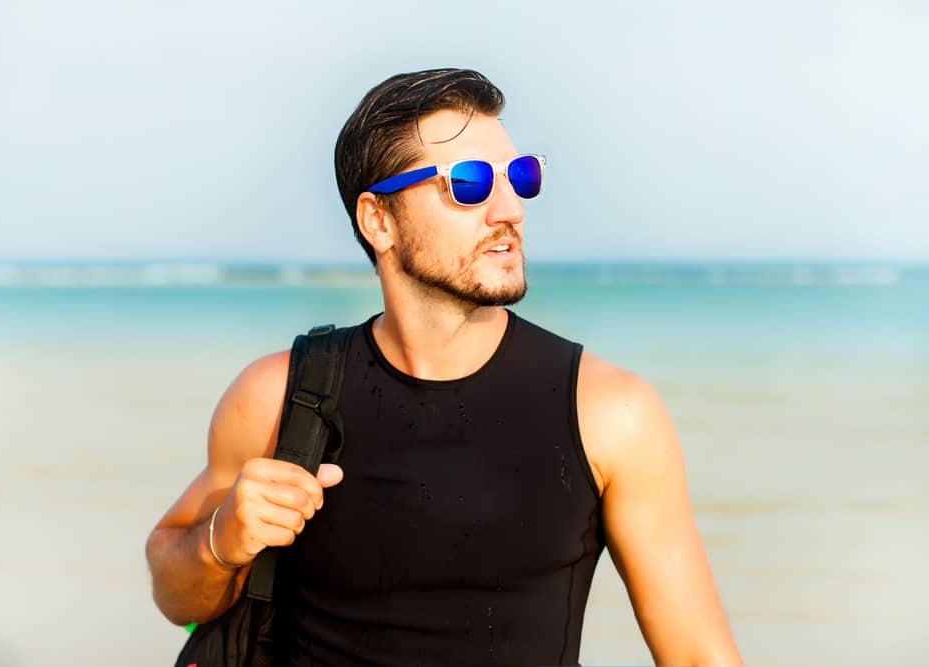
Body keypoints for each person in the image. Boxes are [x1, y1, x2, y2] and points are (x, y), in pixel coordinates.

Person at [146, 67, 743, 666]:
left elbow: (697, 655)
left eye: (521, 176)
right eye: (471, 182)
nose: (510, 208)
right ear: (378, 220)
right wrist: (222, 542)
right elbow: (175, 591)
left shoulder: (609, 412)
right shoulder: (280, 396)